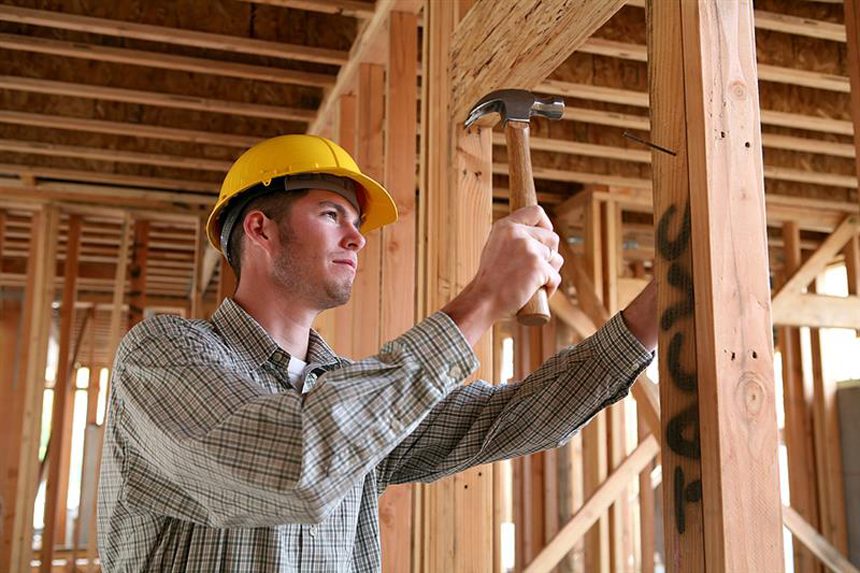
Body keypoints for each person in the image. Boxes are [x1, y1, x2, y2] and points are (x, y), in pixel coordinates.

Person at [98, 134, 657, 572]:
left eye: (357, 223)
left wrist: (651, 315)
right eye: (330, 214)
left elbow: (507, 419)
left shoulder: (343, 392)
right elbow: (293, 465)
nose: (357, 237)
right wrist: (483, 298)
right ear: (260, 229)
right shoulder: (161, 355)